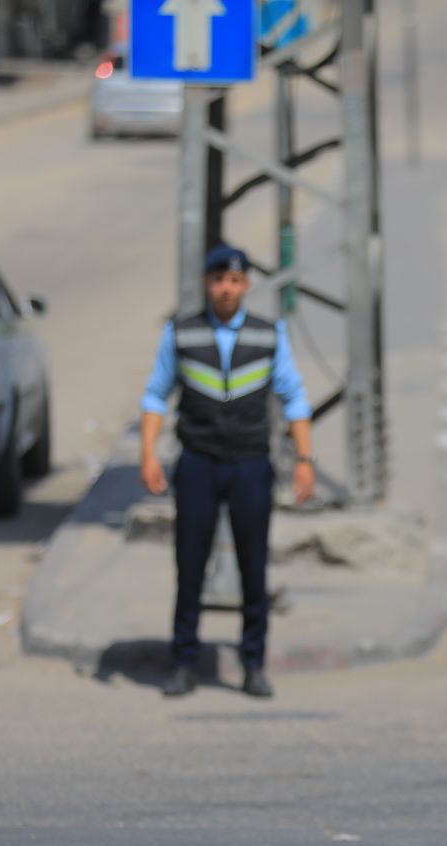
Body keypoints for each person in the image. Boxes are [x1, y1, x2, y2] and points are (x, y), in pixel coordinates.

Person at [140, 244, 315, 698]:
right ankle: (183, 661)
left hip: (250, 463)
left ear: (246, 285)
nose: (226, 288)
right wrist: (147, 454)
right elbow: (156, 396)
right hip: (197, 461)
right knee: (190, 565)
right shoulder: (180, 333)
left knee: (253, 565)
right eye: (219, 280)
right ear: (207, 282)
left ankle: (253, 662)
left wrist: (304, 460)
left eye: (235, 281)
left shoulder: (268, 334)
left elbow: (294, 398)